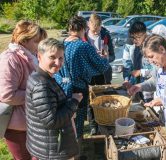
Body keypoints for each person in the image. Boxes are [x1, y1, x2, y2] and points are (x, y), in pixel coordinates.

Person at [54, 16, 109, 157]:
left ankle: (68, 152)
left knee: (65, 122)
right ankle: (76, 155)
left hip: (61, 88)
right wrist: (104, 56)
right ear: (83, 29)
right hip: (78, 89)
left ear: (70, 28)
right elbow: (102, 66)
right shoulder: (83, 46)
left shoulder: (61, 44)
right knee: (78, 124)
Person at [25, 38, 83, 160]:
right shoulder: (42, 84)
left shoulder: (43, 77)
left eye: (61, 58)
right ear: (39, 56)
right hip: (53, 152)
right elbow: (52, 121)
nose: (58, 63)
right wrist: (74, 102)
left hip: (49, 147)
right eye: (52, 57)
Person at [0, 20, 47, 160]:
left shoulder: (29, 56)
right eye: (36, 41)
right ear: (23, 40)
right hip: (18, 127)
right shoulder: (10, 59)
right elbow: (7, 95)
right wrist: (37, 94)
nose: (40, 45)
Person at [123, 21, 154, 102]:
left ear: (144, 33)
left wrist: (141, 72)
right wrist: (128, 81)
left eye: (138, 37)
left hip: (151, 92)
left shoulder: (152, 46)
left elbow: (157, 70)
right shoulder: (135, 47)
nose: (135, 40)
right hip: (139, 89)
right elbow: (130, 66)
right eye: (133, 37)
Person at [86, 13, 115, 84]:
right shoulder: (84, 37)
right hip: (89, 75)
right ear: (88, 24)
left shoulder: (106, 35)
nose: (96, 33)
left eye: (98, 30)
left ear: (101, 26)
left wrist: (106, 57)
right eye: (93, 31)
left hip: (104, 74)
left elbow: (112, 56)